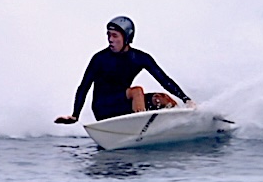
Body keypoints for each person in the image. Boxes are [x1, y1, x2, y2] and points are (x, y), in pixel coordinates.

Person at [54, 16, 193, 125]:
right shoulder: (100, 58)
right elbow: (84, 87)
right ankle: (139, 126)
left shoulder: (139, 57)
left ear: (127, 37)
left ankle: (181, 122)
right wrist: (75, 115)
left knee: (161, 99)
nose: (110, 39)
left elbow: (164, 79)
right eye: (108, 35)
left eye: (115, 36)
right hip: (103, 107)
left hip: (125, 105)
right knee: (137, 91)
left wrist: (186, 100)